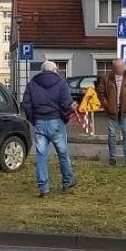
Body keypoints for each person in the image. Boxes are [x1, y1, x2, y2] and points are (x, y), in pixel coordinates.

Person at [22, 60, 77, 197]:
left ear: (42, 70)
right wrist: (69, 111)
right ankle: (67, 181)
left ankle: (43, 188)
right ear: (54, 70)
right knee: (63, 154)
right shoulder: (61, 83)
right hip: (56, 122)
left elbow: (26, 104)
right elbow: (66, 104)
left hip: (40, 121)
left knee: (41, 156)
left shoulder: (32, 84)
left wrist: (33, 119)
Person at [97, 59, 126, 167]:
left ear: (124, 67)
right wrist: (107, 105)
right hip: (112, 111)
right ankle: (112, 157)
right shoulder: (106, 79)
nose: (119, 70)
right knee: (111, 135)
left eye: (121, 67)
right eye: (117, 68)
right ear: (114, 68)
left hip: (125, 110)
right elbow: (101, 94)